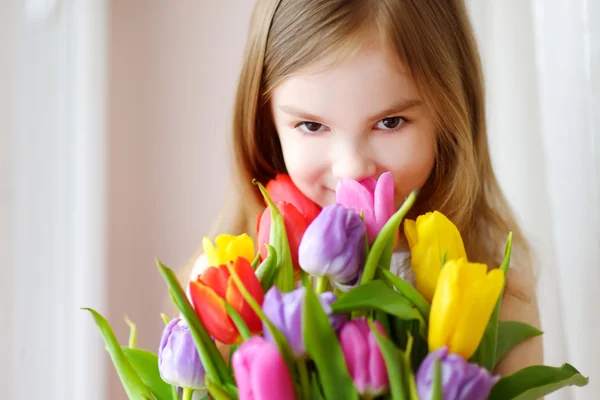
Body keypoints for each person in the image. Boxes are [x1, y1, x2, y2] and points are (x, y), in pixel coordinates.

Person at [186, 0, 543, 376]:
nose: (352, 168)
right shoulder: (230, 286)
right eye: (311, 126)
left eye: (390, 122)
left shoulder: (497, 294)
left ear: (450, 113)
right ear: (266, 121)